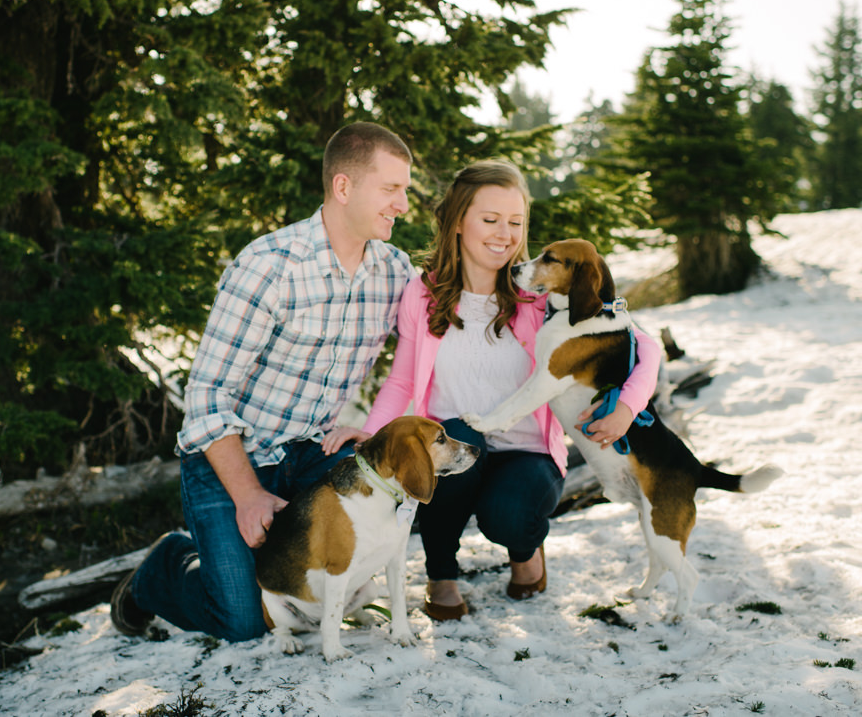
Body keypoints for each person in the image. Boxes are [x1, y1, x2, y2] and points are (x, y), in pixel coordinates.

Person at [110, 122, 416, 642]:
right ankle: (163, 567)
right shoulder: (269, 266)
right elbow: (206, 398)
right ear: (343, 187)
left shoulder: (394, 272)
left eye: (404, 191)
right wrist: (248, 494)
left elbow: (433, 339)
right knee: (244, 620)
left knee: (399, 496)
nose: (403, 205)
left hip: (313, 450)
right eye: (391, 189)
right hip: (232, 456)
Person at [323, 159, 659, 619]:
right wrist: (374, 432)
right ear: (460, 221)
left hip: (529, 451)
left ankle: (526, 556)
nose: (505, 234)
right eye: (490, 220)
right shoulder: (423, 294)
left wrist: (629, 407)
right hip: (452, 445)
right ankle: (441, 574)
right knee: (458, 438)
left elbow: (645, 344)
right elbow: (402, 378)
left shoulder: (538, 294)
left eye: (516, 223)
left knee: (509, 513)